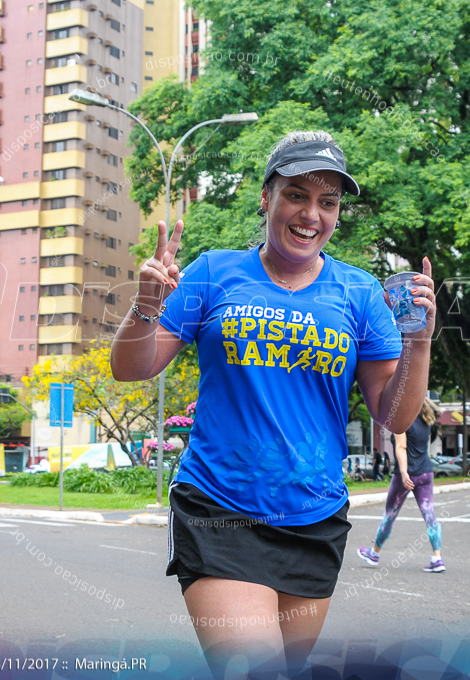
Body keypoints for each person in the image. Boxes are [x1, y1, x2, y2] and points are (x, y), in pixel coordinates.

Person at [110, 130, 436, 678]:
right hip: (220, 510)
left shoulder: (358, 293)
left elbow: (394, 414)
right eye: (296, 195)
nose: (311, 214)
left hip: (314, 519)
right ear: (267, 198)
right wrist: (146, 305)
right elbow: (131, 369)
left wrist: (420, 341)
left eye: (327, 202)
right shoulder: (213, 272)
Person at [359, 398, 444, 572]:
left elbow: (401, 448)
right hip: (425, 472)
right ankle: (437, 558)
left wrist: (404, 473)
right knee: (430, 515)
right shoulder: (427, 419)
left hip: (405, 475)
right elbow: (435, 420)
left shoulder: (402, 420)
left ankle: (374, 554)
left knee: (390, 515)